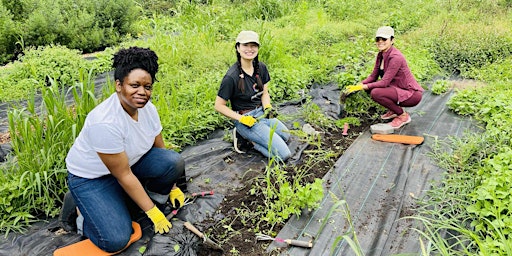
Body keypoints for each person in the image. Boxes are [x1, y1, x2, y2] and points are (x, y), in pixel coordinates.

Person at [62, 46, 186, 253]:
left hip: (127, 165)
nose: (142, 92)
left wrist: (172, 186)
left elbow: (160, 148)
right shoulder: (105, 122)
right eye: (134, 85)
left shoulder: (149, 109)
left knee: (172, 161)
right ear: (119, 85)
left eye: (147, 87)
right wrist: (153, 213)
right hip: (93, 178)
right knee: (115, 239)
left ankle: (128, 200)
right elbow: (124, 174)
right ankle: (80, 211)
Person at [214, 30, 291, 161]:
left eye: (253, 45)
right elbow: (219, 106)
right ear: (238, 48)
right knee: (284, 155)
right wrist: (241, 119)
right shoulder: (231, 77)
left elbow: (265, 93)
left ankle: (256, 138)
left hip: (261, 113)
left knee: (286, 136)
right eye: (245, 45)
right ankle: (252, 142)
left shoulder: (261, 68)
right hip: (246, 119)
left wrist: (267, 107)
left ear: (258, 48)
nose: (250, 49)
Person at [347, 26, 423, 129]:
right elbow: (373, 76)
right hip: (398, 88)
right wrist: (359, 85)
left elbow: (384, 83)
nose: (380, 41)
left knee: (376, 92)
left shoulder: (396, 57)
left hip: (411, 94)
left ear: (392, 40)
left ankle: (402, 116)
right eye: (378, 39)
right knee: (370, 88)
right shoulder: (381, 54)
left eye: (384, 39)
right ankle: (394, 109)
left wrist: (363, 87)